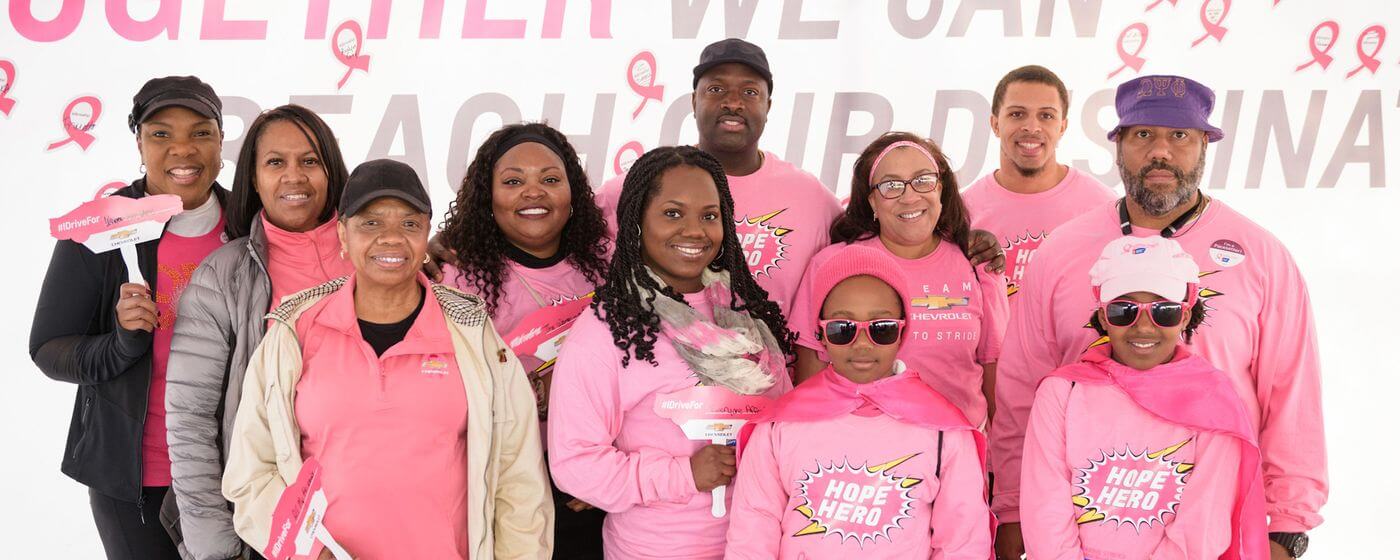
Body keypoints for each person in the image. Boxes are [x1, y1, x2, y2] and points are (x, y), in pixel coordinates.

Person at [990, 75, 1326, 560]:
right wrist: (1013, 506)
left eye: (1180, 136)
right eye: (1143, 135)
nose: (1161, 152)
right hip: (1082, 536)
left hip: (1216, 527)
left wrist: (1288, 525)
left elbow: (1292, 396)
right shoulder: (1061, 252)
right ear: (1118, 145)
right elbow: (1022, 388)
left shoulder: (1261, 256)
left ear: (1204, 145)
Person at [222, 160, 552, 559]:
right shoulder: (294, 331)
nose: (392, 238)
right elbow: (250, 475)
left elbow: (519, 481)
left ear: (426, 233)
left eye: (409, 224)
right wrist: (307, 552)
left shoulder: (472, 333)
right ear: (343, 234)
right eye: (371, 223)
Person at [547, 146, 794, 559]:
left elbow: (783, 424)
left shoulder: (743, 312)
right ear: (637, 222)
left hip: (759, 544)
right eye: (673, 213)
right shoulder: (607, 330)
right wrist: (684, 474)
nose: (694, 231)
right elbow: (575, 466)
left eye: (709, 216)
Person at [29, 75, 228, 560]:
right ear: (139, 143)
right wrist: (120, 344)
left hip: (236, 475)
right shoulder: (101, 229)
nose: (183, 149)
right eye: (161, 134)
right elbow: (48, 348)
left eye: (200, 132)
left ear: (221, 142)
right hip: (137, 481)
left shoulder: (251, 221)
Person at [165, 104, 351, 560]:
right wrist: (215, 546)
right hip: (271, 524)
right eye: (275, 162)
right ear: (253, 177)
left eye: (310, 160)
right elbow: (190, 420)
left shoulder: (377, 258)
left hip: (372, 510)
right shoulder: (222, 278)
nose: (294, 176)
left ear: (331, 170)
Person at [726, 244, 993, 559]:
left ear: (903, 331)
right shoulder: (781, 426)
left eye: (882, 329)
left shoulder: (943, 430)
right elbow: (753, 531)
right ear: (821, 334)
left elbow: (963, 543)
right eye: (843, 329)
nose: (863, 344)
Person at [1021, 235, 1266, 559]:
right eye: (1125, 311)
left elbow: (1203, 525)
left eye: (1164, 311)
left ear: (1185, 315)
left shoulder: (1214, 400)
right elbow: (1045, 510)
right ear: (1104, 316)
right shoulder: (1063, 392)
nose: (1145, 328)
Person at [439, 122, 610, 558]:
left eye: (550, 180)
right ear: (488, 197)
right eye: (513, 182)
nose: (533, 192)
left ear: (572, 193)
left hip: (597, 484)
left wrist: (603, 471)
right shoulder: (456, 279)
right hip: (507, 483)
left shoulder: (608, 264)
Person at [594, 38, 843, 314]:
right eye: (716, 89)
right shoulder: (639, 186)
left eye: (750, 92)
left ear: (768, 107)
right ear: (694, 101)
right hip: (656, 342)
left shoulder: (812, 198)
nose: (733, 103)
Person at [790, 132, 1008, 430]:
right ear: (872, 201)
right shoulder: (831, 264)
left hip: (958, 445)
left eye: (923, 180)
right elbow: (810, 383)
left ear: (940, 189)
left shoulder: (978, 263)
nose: (909, 196)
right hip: (861, 447)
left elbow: (995, 375)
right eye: (891, 185)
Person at [961, 65, 1117, 297]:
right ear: (995, 124)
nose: (1032, 127)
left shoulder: (1103, 206)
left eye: (1046, 116)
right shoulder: (963, 211)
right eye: (1017, 114)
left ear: (1062, 126)